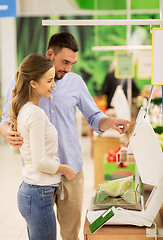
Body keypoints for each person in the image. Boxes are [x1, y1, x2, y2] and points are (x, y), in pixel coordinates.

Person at [0, 32, 133, 240]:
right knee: (41, 234)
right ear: (50, 54)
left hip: (71, 171)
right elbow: (5, 122)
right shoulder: (24, 81)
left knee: (70, 234)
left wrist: (111, 122)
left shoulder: (75, 82)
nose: (68, 68)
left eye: (72, 63)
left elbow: (94, 117)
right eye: (65, 62)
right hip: (39, 176)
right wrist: (9, 133)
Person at [9, 53, 77, 240]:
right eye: (49, 81)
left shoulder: (22, 109)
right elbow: (40, 162)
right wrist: (65, 169)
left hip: (31, 192)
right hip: (38, 193)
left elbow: (16, 149)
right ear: (33, 84)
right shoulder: (35, 114)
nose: (53, 85)